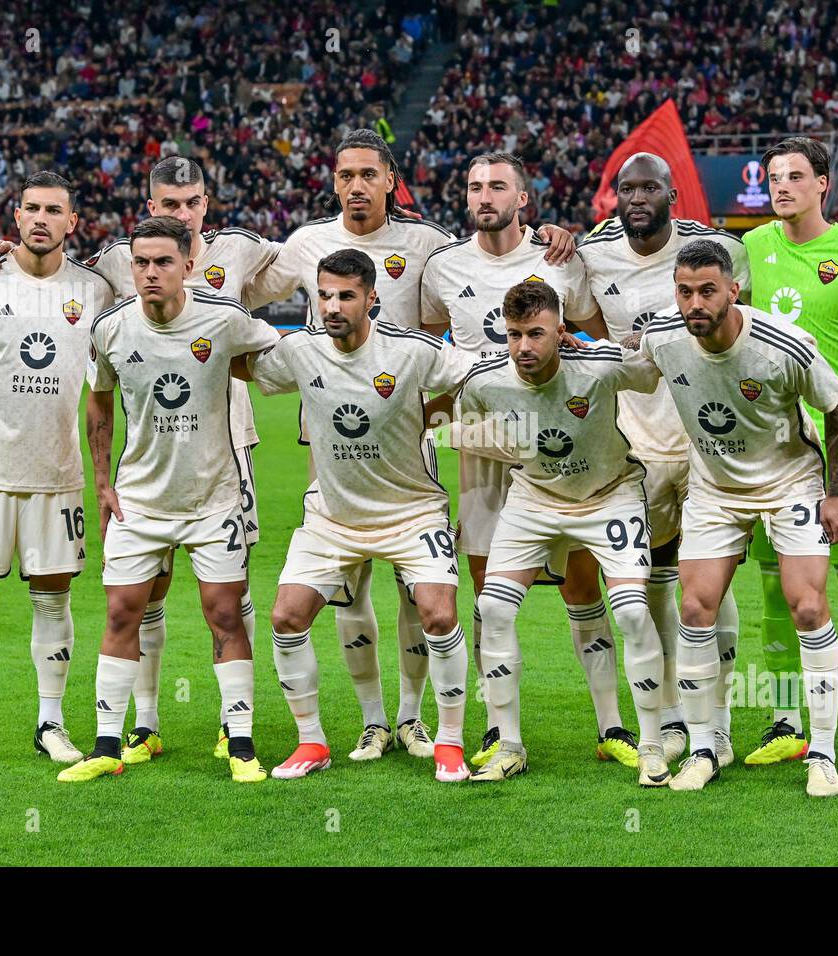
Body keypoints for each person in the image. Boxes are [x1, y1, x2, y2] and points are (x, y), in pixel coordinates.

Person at [245, 129, 577, 763]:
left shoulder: (426, 245)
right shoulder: (305, 243)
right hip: (330, 432)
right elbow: (238, 287)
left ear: (390, 180)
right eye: (344, 175)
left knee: (417, 592)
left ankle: (412, 718)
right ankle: (371, 720)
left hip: (408, 429)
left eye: (368, 174)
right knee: (346, 588)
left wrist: (550, 235)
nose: (355, 186)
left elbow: (487, 264)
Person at [0, 156, 281, 765]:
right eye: (166, 206)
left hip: (223, 463)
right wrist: (1, 252)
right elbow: (59, 283)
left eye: (189, 204)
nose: (178, 214)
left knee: (227, 602)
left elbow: (299, 318)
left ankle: (236, 734)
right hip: (144, 479)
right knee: (137, 601)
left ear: (196, 244)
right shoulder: (112, 289)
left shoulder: (237, 277)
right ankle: (132, 731)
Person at [420, 152, 648, 770]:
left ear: (524, 197)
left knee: (581, 584)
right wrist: (436, 434)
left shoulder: (557, 259)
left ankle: (612, 727)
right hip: (483, 442)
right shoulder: (443, 266)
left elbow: (594, 340)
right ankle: (500, 732)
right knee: (490, 593)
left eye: (498, 185)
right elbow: (430, 355)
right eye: (474, 186)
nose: (484, 195)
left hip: (560, 441)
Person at [626, 238, 838, 797]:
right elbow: (629, 364)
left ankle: (822, 751)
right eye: (685, 292)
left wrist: (836, 493)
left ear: (733, 290)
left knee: (807, 604)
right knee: (696, 605)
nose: (695, 303)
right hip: (715, 487)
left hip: (790, 481)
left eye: (708, 291)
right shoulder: (664, 337)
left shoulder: (783, 345)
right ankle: (707, 743)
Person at [239, 249, 477, 782]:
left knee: (437, 614)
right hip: (332, 516)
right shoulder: (299, 350)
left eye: (346, 295)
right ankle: (312, 742)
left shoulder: (411, 350)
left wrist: (436, 414)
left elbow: (472, 374)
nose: (332, 305)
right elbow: (242, 366)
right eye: (323, 294)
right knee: (286, 617)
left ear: (372, 298)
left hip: (412, 510)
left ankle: (450, 742)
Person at [58, 215, 280, 783]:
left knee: (225, 614)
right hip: (139, 501)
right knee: (120, 611)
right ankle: (107, 746)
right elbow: (99, 403)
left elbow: (278, 359)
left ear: (188, 265)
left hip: (214, 499)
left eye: (162, 262)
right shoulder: (109, 329)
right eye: (141, 263)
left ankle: (242, 744)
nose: (150, 273)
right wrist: (102, 484)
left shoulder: (226, 319)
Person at [0, 171, 114, 770]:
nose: (41, 219)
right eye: (31, 208)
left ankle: (51, 724)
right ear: (15, 218)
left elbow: (108, 384)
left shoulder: (94, 290)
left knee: (54, 602)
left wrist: (105, 474)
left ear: (72, 222)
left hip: (57, 475)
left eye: (53, 210)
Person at [456, 281, 668, 787]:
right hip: (534, 496)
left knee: (634, 612)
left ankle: (654, 746)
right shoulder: (485, 379)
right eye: (513, 335)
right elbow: (460, 423)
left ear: (560, 331)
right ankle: (508, 744)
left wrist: (600, 347)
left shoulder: (596, 367)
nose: (523, 347)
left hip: (610, 493)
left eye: (535, 333)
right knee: (493, 608)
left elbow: (651, 369)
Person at [577, 151, 749, 767]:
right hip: (636, 448)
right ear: (615, 196)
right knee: (647, 583)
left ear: (673, 194)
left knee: (711, 581)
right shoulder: (591, 256)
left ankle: (720, 721)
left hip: (706, 445)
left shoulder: (713, 251)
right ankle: (673, 715)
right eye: (628, 188)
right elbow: (593, 337)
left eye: (651, 186)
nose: (638, 196)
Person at [740, 137, 838, 770]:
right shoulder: (746, 250)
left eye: (795, 177)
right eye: (774, 177)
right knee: (777, 589)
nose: (781, 187)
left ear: (823, 183)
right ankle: (785, 721)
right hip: (771, 448)